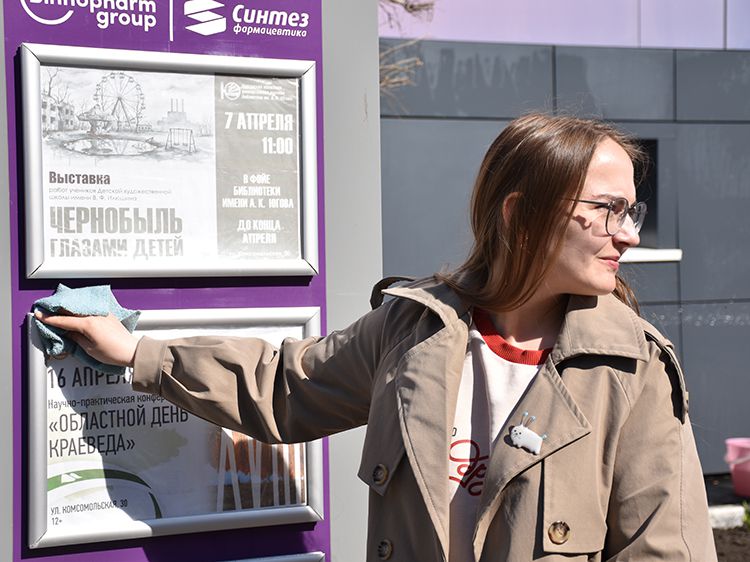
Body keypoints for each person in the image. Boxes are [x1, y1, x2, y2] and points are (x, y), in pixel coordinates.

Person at [38, 113, 717, 561]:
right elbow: (285, 385)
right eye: (608, 210)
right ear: (521, 214)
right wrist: (138, 353)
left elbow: (665, 550)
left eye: (632, 211)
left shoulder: (632, 370)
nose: (629, 234)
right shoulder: (414, 330)